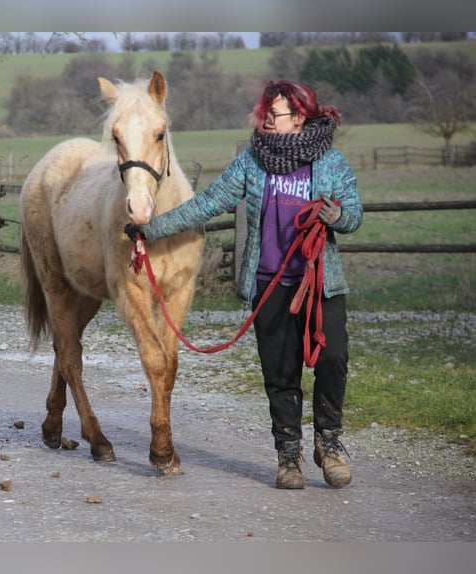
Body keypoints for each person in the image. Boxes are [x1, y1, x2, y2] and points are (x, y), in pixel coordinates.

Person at [125, 80, 363, 489]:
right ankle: (289, 457)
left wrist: (335, 214)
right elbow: (208, 203)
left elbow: (355, 214)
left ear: (300, 116)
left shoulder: (330, 162)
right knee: (280, 372)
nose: (266, 120)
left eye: (275, 114)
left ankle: (330, 443)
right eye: (265, 114)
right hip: (269, 284)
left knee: (332, 361)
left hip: (319, 283)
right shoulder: (252, 162)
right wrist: (148, 231)